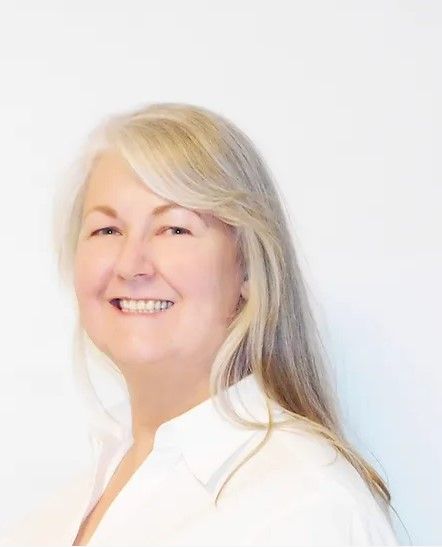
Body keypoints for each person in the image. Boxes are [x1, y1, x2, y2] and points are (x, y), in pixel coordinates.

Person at [0, 103, 402, 546]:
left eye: (174, 229)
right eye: (107, 231)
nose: (131, 264)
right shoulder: (66, 505)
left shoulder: (308, 505)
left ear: (249, 267)